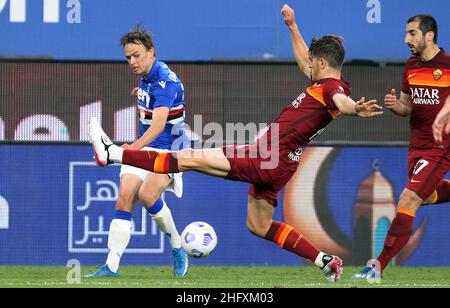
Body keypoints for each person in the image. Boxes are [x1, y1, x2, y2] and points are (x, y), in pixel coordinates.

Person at [87, 4, 383, 282]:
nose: (307, 65)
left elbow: (341, 102)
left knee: (189, 157)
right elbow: (307, 61)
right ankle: (324, 261)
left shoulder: (331, 88)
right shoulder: (322, 82)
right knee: (259, 226)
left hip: (268, 156)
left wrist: (354, 108)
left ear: (321, 63)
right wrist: (292, 27)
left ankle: (113, 154)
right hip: (282, 164)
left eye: (312, 62)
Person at [85, 26, 189, 278]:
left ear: (151, 52)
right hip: (146, 146)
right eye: (128, 57)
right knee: (123, 199)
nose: (132, 62)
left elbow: (159, 125)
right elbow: (154, 104)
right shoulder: (148, 78)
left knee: (147, 194)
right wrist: (141, 94)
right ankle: (111, 266)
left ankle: (177, 245)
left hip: (169, 150)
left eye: (136, 56)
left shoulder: (164, 82)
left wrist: (132, 149)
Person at [353, 14, 450, 280]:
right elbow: (408, 106)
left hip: (441, 149)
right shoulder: (410, 66)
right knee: (424, 196)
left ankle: (377, 266)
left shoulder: (449, 65)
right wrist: (397, 107)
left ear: (429, 36)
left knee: (407, 200)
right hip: (416, 147)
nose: (406, 39)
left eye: (412, 33)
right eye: (406, 33)